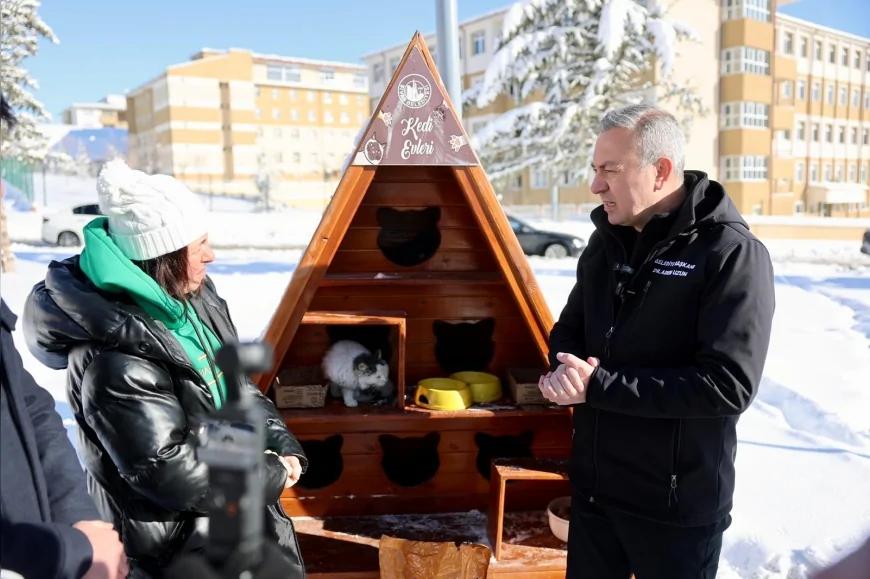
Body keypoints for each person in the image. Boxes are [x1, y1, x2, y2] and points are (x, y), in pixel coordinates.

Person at [22, 159, 309, 578]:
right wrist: (269, 471)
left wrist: (279, 441)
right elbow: (172, 471)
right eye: (199, 245)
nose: (211, 255)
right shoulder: (115, 360)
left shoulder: (193, 297)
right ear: (164, 257)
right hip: (177, 547)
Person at [540, 104, 775, 578]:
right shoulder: (605, 243)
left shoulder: (729, 253)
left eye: (610, 170)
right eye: (594, 169)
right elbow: (569, 330)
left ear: (661, 171)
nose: (595, 185)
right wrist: (565, 370)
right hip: (595, 495)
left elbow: (726, 385)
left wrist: (599, 386)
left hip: (674, 511)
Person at [1, 93, 128, 579]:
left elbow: (31, 409)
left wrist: (80, 522)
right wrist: (67, 551)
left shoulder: (199, 306)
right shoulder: (117, 347)